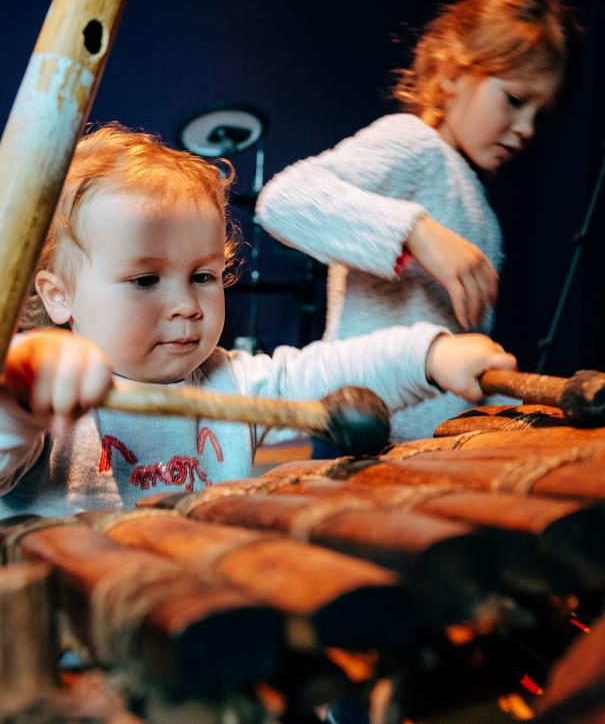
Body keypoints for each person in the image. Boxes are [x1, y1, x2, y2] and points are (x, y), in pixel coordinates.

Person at [0, 123, 516, 518]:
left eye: (203, 276)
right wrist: (20, 394)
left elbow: (324, 372)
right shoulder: (46, 401)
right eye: (145, 280)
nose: (186, 305)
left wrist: (428, 355)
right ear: (59, 295)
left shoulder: (231, 383)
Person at [256, 0, 580, 449]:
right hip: (365, 436)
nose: (527, 128)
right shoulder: (414, 144)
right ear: (452, 73)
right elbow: (284, 200)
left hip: (425, 447)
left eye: (539, 114)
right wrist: (416, 231)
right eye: (515, 100)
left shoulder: (473, 199)